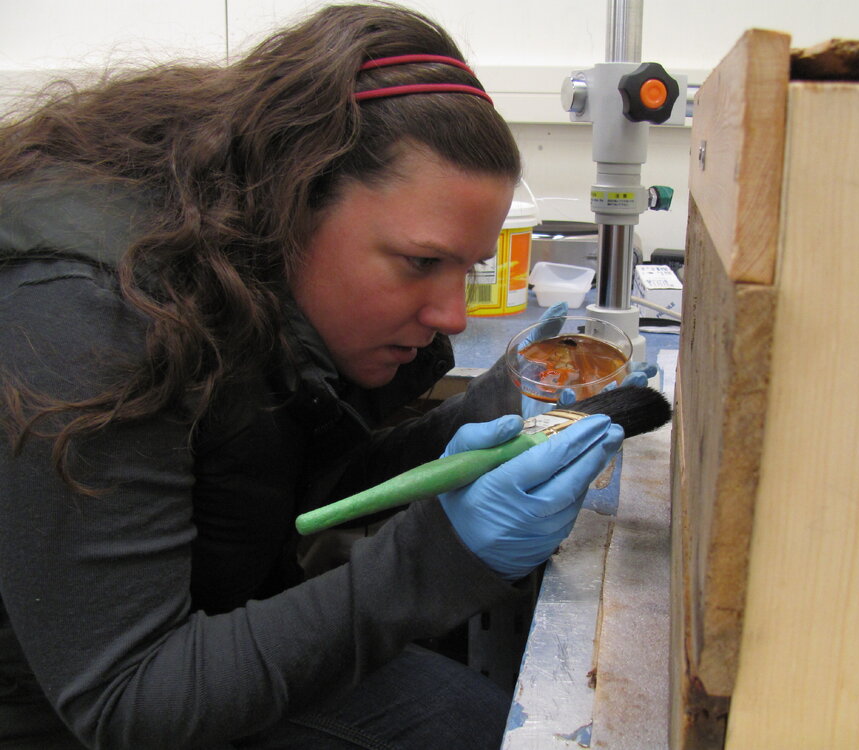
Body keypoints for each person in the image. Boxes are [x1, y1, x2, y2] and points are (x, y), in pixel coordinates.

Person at [0, 3, 633, 749]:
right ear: (295, 197)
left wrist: (493, 411)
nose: (454, 315)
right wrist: (440, 559)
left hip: (203, 615)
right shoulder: (93, 317)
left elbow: (271, 488)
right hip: (58, 709)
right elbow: (128, 699)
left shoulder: (243, 268)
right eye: (422, 262)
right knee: (458, 729)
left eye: (469, 267)